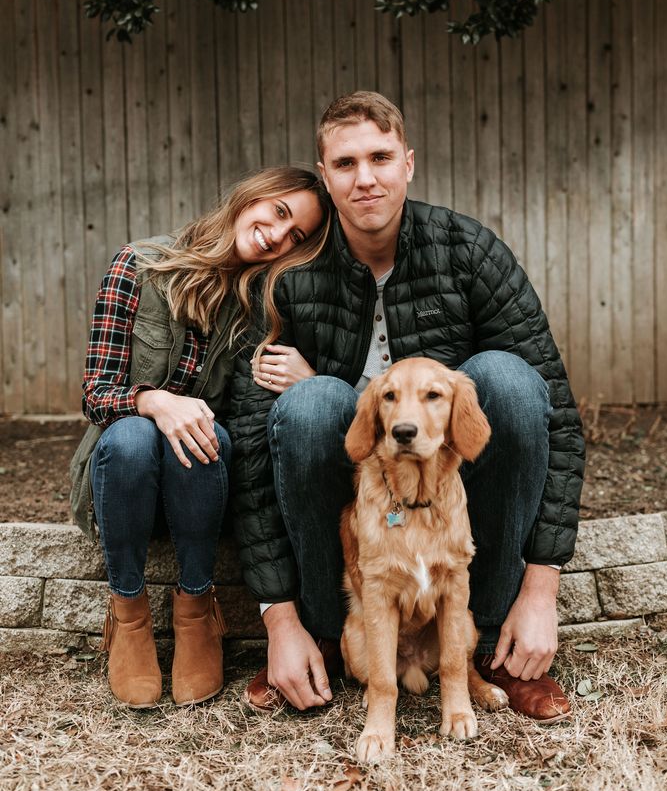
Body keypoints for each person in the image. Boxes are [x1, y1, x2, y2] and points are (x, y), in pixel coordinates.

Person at [227, 92, 586, 722]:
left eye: (380, 157)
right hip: (360, 483)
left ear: (409, 163)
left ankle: (496, 645)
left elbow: (555, 413)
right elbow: (254, 450)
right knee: (310, 407)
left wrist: (543, 587)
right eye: (345, 164)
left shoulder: (468, 250)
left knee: (509, 381)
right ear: (327, 179)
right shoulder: (290, 277)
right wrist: (278, 622)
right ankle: (327, 641)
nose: (365, 178)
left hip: (452, 484)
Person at [69, 167, 331, 709]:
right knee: (134, 436)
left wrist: (312, 380)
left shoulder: (261, 302)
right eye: (279, 213)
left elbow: (252, 418)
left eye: (295, 238)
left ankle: (196, 610)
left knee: (207, 430)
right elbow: (95, 394)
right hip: (123, 482)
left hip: (200, 488)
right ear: (252, 196)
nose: (277, 236)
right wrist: (154, 400)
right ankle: (128, 614)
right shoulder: (137, 266)